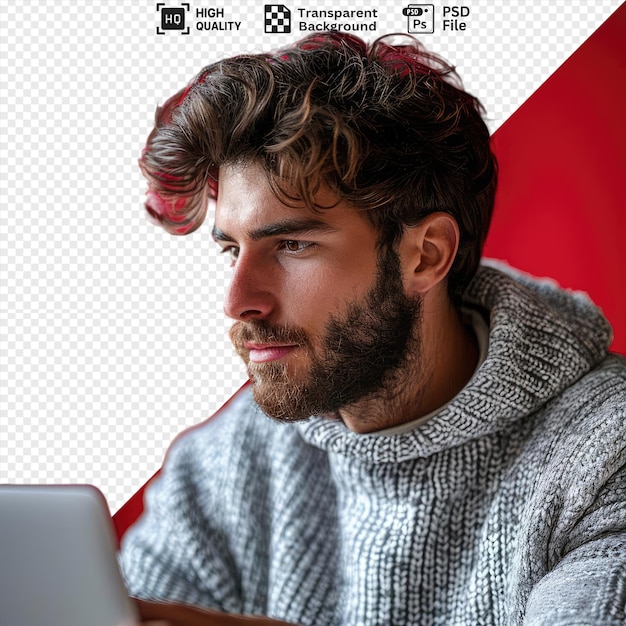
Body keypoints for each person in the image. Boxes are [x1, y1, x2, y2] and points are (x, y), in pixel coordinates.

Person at [120, 32, 626, 625]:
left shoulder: (606, 456)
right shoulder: (224, 466)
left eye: (293, 244)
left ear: (426, 255)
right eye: (232, 250)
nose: (239, 302)